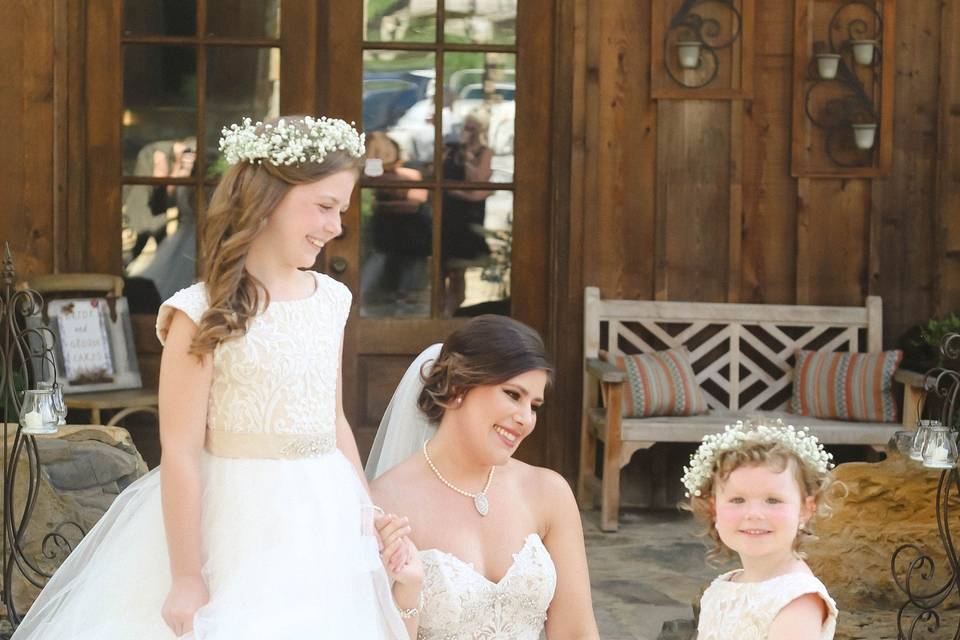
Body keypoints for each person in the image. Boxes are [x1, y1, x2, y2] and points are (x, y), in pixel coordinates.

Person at [13, 116, 412, 639]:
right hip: (235, 522)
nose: (336, 226)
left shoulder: (331, 299)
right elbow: (178, 450)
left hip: (322, 515)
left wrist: (365, 511)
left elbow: (333, 420)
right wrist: (185, 576)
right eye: (324, 206)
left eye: (341, 209)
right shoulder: (200, 313)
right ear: (267, 199)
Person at [366, 315, 600, 639]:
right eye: (513, 395)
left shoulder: (549, 493)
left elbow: (577, 632)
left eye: (535, 405)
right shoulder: (384, 504)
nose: (526, 419)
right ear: (459, 386)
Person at [683, 419, 840, 639]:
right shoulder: (725, 586)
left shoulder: (796, 600)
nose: (754, 514)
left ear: (805, 509)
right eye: (738, 500)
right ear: (713, 508)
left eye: (773, 500)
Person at [440, 109, 494, 316]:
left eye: (474, 128)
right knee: (440, 269)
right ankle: (441, 310)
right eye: (466, 127)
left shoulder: (484, 152)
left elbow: (478, 184)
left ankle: (451, 312)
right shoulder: (451, 149)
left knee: (457, 270)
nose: (468, 132)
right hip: (446, 214)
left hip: (466, 217)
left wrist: (468, 156)